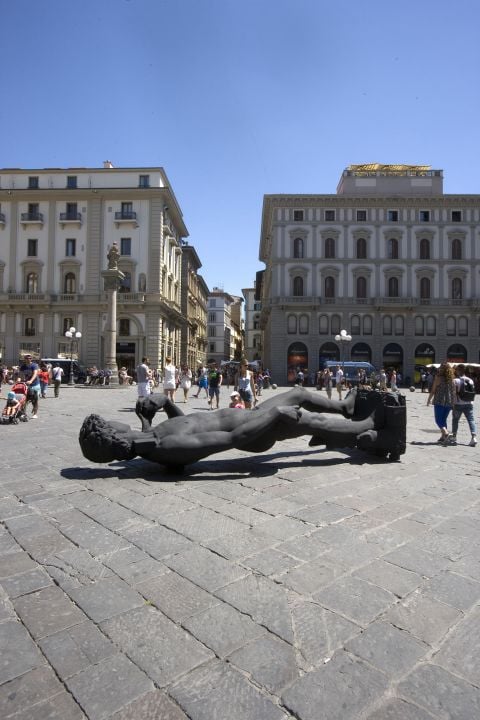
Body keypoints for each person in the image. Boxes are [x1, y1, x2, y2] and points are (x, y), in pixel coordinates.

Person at [81, 386, 387, 470]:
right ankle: (366, 427)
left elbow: (190, 422)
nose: (114, 420)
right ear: (115, 435)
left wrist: (161, 404)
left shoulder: (148, 436)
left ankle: (344, 409)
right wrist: (277, 415)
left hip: (251, 416)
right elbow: (231, 438)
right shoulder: (165, 449)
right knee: (307, 420)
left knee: (300, 393)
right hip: (257, 431)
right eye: (110, 424)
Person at [427, 361, 456, 445]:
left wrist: (429, 400)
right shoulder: (452, 379)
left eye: (440, 367)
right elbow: (454, 392)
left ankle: (446, 433)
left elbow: (433, 390)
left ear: (442, 369)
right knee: (443, 419)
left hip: (439, 401)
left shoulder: (438, 378)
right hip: (449, 402)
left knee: (438, 420)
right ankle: (443, 437)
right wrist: (453, 403)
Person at [450, 364, 477, 447]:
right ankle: (474, 437)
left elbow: (454, 393)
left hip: (458, 403)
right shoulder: (470, 380)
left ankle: (454, 436)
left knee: (455, 420)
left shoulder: (455, 381)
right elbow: (473, 392)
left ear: (458, 371)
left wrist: (453, 404)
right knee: (471, 420)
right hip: (469, 403)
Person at [20, 354, 40, 418]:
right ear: (25, 359)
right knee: (24, 400)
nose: (29, 359)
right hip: (26, 385)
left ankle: (35, 414)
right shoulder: (23, 366)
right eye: (27, 358)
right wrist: (18, 380)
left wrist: (31, 380)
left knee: (35, 400)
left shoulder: (34, 365)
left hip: (35, 384)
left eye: (30, 358)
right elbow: (21, 375)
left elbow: (35, 373)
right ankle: (23, 413)